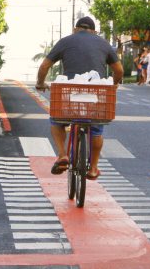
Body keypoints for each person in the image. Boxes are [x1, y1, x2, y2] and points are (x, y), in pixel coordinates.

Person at [35, 16, 123, 180]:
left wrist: (40, 83)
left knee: (57, 121)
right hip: (96, 95)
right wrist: (114, 84)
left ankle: (62, 155)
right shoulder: (103, 43)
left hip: (70, 94)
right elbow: (119, 70)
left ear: (75, 29)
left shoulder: (66, 41)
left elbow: (44, 65)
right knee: (96, 127)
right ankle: (94, 168)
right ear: (94, 31)